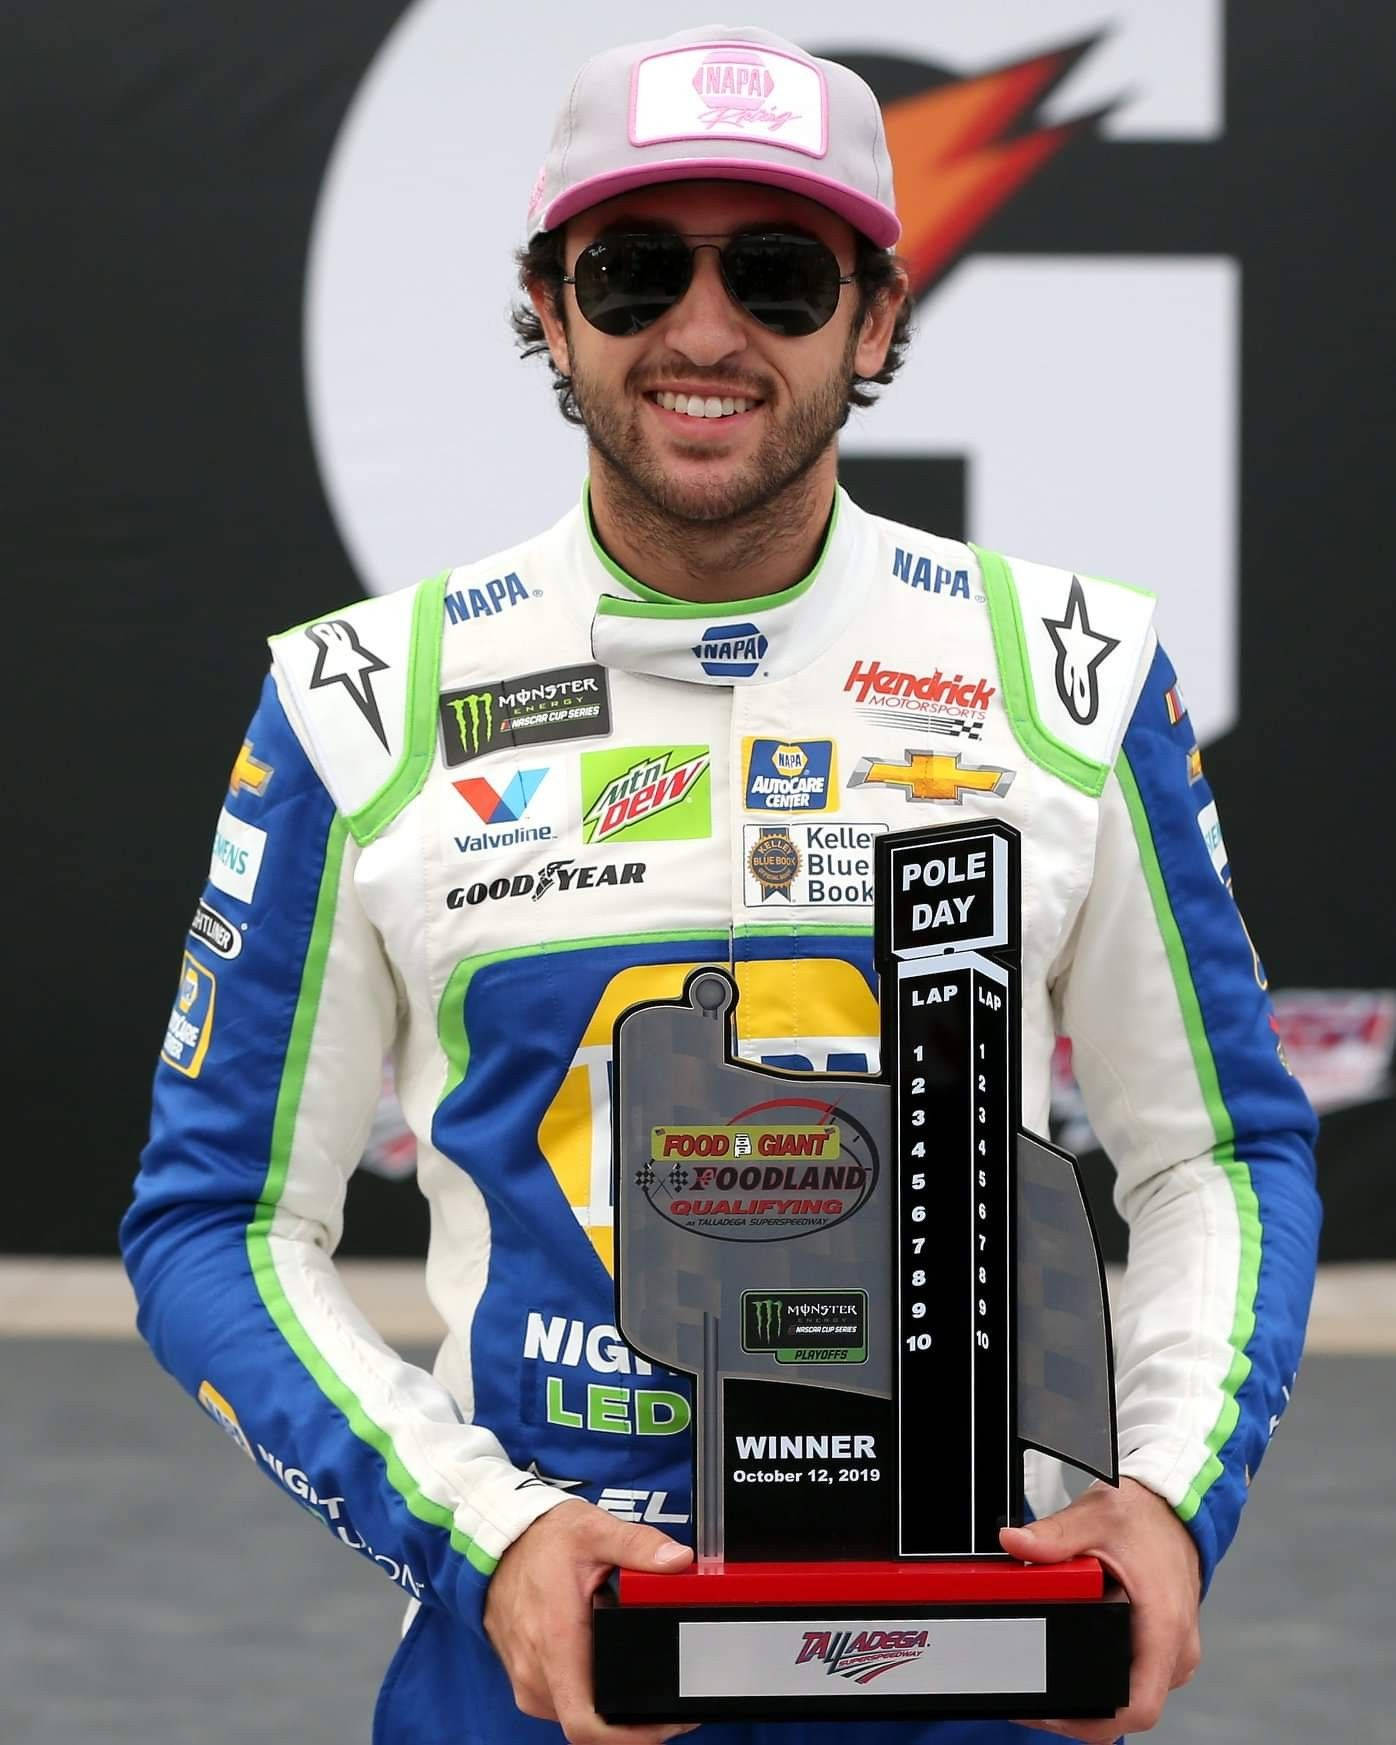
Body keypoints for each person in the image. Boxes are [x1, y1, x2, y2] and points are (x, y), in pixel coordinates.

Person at [121, 22, 1320, 1745]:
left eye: (775, 271)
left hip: (974, 1660)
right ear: (547, 307)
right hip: (544, 1668)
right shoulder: (359, 703)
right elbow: (212, 1221)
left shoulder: (1070, 679)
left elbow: (1219, 1149)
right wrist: (490, 1530)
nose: (703, 332)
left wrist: (1171, 1499)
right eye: (631, 273)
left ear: (880, 315)